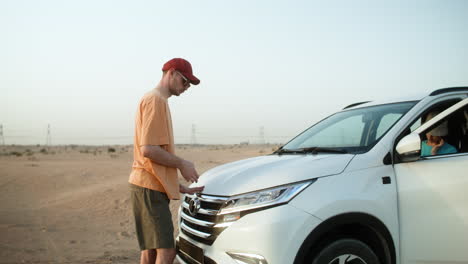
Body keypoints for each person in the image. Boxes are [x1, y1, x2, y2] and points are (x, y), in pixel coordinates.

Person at [128, 58, 205, 264]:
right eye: (185, 80)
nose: (187, 86)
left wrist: (178, 186)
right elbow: (149, 150)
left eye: (190, 83)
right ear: (171, 73)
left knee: (150, 251)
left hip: (148, 185)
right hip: (148, 188)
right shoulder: (155, 100)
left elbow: (154, 155)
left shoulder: (155, 100)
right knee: (167, 252)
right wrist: (182, 163)